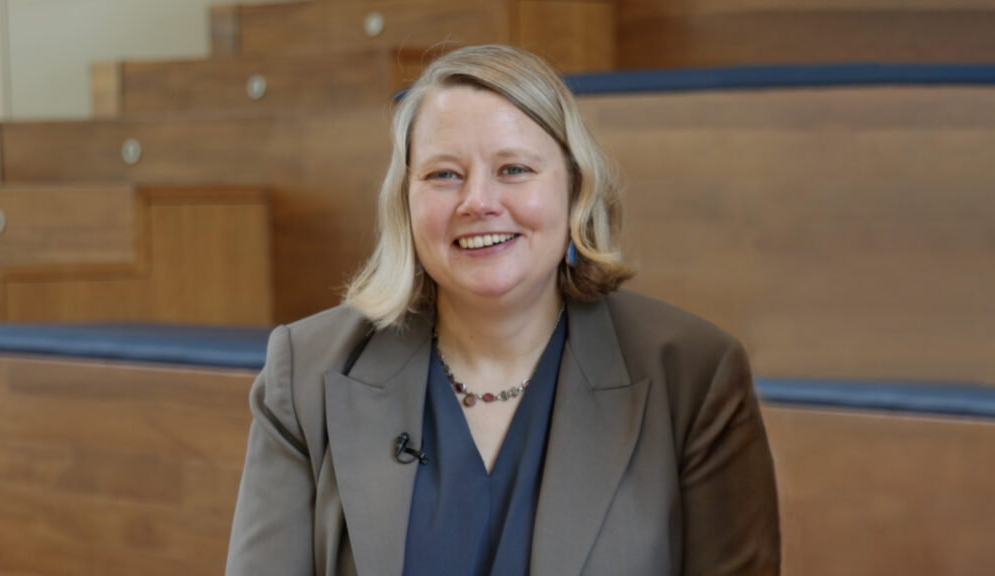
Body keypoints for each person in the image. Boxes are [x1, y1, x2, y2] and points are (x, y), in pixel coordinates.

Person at [226, 44, 779, 576]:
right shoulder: (305, 373)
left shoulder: (695, 377)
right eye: (444, 174)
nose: (478, 202)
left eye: (514, 169)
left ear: (575, 189)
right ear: (405, 201)